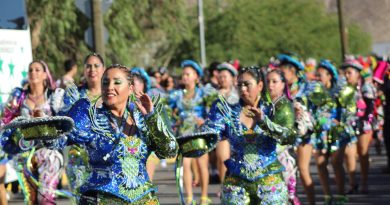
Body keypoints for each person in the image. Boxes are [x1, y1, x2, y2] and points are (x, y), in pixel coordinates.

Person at [59, 64, 177, 204]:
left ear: (130, 88)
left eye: (117, 82)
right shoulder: (90, 117)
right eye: (105, 82)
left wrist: (151, 117)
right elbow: (59, 139)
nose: (109, 87)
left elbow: (169, 150)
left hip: (143, 199)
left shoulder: (143, 118)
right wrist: (44, 128)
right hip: (101, 198)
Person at [200, 66, 294, 204]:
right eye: (239, 85)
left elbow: (288, 137)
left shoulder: (275, 109)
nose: (243, 89)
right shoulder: (227, 111)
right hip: (236, 180)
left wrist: (263, 121)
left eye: (247, 84)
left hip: (269, 179)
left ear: (260, 85)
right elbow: (209, 134)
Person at [1, 60, 64, 204]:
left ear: (44, 75)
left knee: (46, 198)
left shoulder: (54, 95)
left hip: (48, 153)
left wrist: (43, 118)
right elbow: (5, 121)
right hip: (24, 154)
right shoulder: (18, 96)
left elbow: (62, 122)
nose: (33, 72)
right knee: (30, 199)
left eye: (37, 69)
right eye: (30, 70)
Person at [169, 60, 216, 205]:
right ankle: (189, 198)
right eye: (183, 74)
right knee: (186, 164)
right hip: (183, 133)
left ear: (196, 76)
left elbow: (213, 110)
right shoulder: (176, 95)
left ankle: (203, 197)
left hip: (200, 132)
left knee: (202, 164)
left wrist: (206, 120)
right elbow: (168, 112)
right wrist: (174, 121)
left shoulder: (204, 93)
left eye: (188, 74)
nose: (185, 77)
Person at [61, 53, 105, 203]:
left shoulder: (112, 93)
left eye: (96, 66)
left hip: (106, 158)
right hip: (78, 156)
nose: (92, 69)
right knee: (81, 200)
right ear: (84, 70)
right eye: (88, 66)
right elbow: (65, 120)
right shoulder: (74, 93)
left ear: (103, 69)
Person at [278, 54, 317, 205]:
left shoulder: (306, 87)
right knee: (288, 172)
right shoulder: (281, 90)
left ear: (292, 71)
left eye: (283, 73)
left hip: (304, 135)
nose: (281, 76)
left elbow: (317, 108)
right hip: (287, 135)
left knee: (303, 169)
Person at [313, 60, 348, 203]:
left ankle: (341, 195)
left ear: (329, 76)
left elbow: (348, 110)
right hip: (320, 132)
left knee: (336, 163)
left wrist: (340, 122)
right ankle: (327, 196)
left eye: (320, 75)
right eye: (317, 75)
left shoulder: (340, 90)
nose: (317, 77)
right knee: (321, 164)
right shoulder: (314, 91)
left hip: (336, 132)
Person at [342, 59, 375, 194]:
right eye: (345, 73)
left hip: (363, 125)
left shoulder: (365, 87)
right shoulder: (344, 88)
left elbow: (371, 106)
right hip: (349, 125)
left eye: (349, 72)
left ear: (357, 74)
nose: (346, 75)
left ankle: (364, 181)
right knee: (348, 153)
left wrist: (365, 119)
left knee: (362, 153)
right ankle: (352, 183)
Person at [266, 69, 299, 204]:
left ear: (283, 84)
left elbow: (284, 135)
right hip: (267, 156)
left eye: (274, 81)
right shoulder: (266, 104)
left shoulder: (285, 106)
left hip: (280, 158)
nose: (270, 85)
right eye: (268, 81)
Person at [214, 62, 238, 184]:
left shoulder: (239, 93)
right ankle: (224, 184)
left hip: (237, 131)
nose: (222, 79)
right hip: (222, 131)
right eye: (220, 77)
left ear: (233, 78)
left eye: (225, 76)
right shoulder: (214, 93)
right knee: (222, 158)